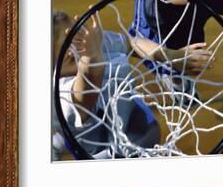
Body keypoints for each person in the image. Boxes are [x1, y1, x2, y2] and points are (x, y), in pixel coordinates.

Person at [51, 10, 212, 160]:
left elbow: (131, 42)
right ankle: (58, 143)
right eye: (68, 55)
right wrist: (90, 58)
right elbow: (87, 86)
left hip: (121, 106)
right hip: (101, 152)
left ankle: (58, 142)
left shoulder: (87, 45)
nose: (76, 50)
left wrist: (173, 56)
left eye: (75, 37)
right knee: (148, 137)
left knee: (148, 127)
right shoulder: (60, 96)